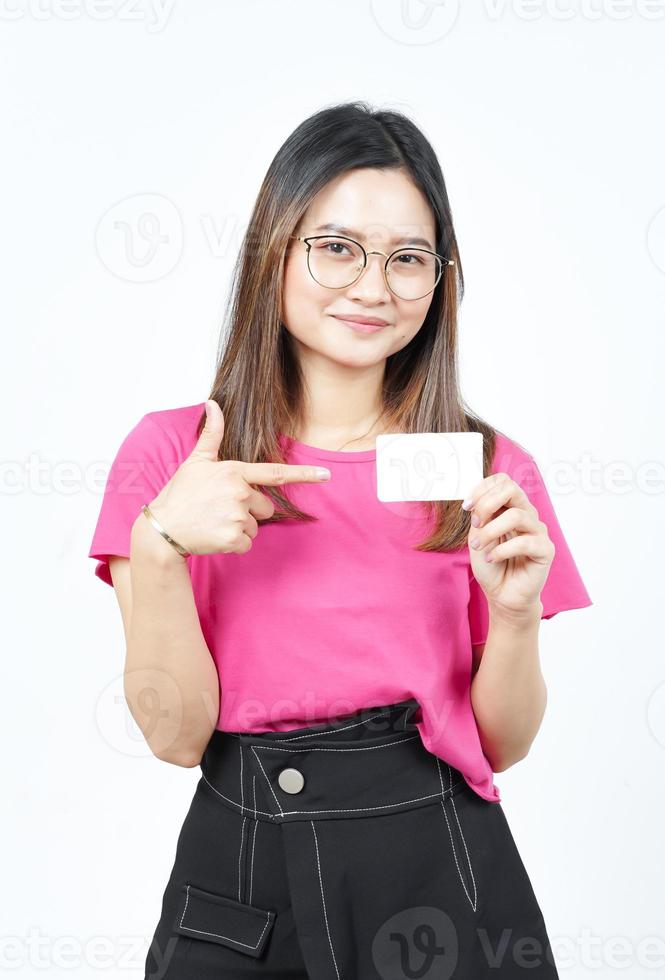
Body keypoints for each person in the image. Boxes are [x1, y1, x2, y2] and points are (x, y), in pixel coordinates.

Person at [88, 101, 593, 979]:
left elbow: (503, 743)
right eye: (336, 247)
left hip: (442, 871)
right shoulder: (174, 457)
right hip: (242, 873)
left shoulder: (487, 468)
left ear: (441, 279)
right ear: (273, 249)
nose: (372, 288)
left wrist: (513, 617)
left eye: (408, 259)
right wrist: (162, 543)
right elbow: (174, 736)